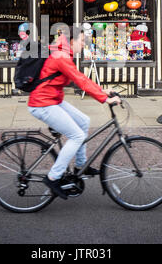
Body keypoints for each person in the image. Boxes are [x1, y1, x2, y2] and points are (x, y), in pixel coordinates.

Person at [28, 27, 121, 200]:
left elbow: (81, 78)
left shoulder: (63, 53)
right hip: (42, 103)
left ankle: (80, 166)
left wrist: (102, 91)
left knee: (84, 121)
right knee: (77, 136)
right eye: (82, 41)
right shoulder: (61, 56)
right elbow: (80, 80)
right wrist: (103, 98)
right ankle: (53, 178)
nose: (84, 44)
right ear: (72, 41)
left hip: (53, 99)